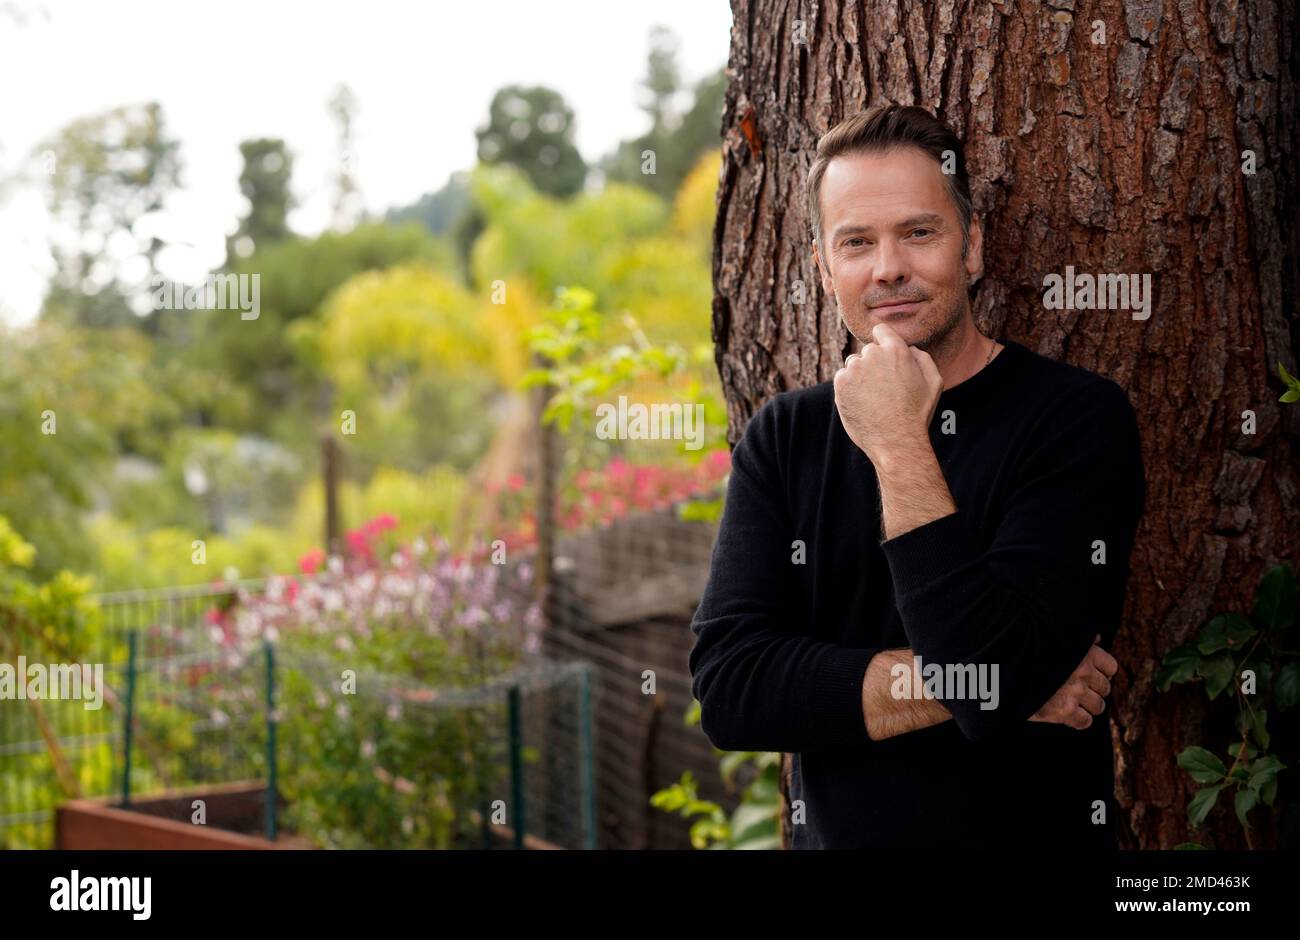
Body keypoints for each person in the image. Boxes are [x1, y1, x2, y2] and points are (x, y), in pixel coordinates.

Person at [688, 104, 1146, 848]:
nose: (888, 266)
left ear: (971, 248)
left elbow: (990, 670)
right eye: (857, 242)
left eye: (919, 232)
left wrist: (899, 443)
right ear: (823, 268)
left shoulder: (1075, 420)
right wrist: (984, 684)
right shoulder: (787, 436)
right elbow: (733, 693)